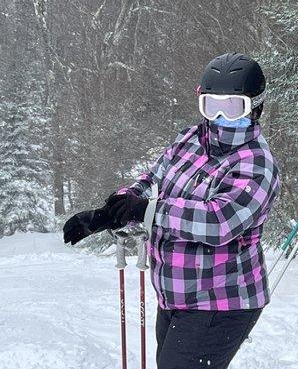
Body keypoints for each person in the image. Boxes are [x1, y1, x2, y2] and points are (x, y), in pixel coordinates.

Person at [63, 53, 280, 369]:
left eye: (232, 107)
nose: (220, 116)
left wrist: (147, 211)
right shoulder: (190, 138)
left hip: (221, 299)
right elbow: (153, 179)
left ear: (255, 108)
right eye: (211, 105)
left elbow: (217, 222)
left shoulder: (256, 165)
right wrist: (115, 209)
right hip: (178, 295)